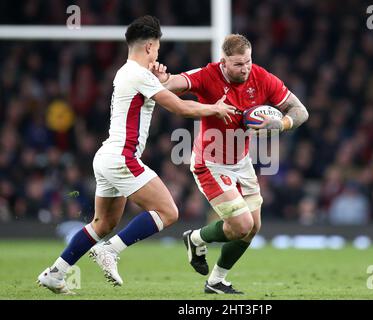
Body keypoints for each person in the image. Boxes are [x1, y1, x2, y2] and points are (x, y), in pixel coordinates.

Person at [36, 15, 235, 294]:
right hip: (122, 157)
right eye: (158, 47)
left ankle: (56, 273)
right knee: (168, 211)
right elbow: (180, 107)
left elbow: (158, 91)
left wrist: (160, 79)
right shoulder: (139, 75)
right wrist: (215, 108)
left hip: (106, 157)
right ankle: (111, 250)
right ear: (151, 47)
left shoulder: (126, 72)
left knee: (104, 223)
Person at [154, 34, 309, 294]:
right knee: (242, 225)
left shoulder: (261, 77)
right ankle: (195, 239)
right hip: (210, 163)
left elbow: (300, 110)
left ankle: (216, 281)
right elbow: (175, 82)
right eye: (238, 64)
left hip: (242, 162)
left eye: (248, 61)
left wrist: (282, 124)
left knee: (252, 228)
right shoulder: (208, 75)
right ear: (223, 62)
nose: (245, 68)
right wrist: (162, 79)